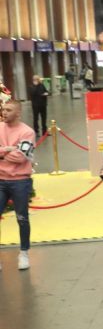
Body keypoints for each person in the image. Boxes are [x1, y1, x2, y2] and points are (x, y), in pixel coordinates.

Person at [0, 100, 36, 270]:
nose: (4, 112)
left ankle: (24, 253)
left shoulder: (27, 132)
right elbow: (14, 154)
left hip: (20, 181)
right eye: (3, 109)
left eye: (8, 110)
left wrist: (3, 151)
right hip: (0, 180)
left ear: (18, 113)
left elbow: (21, 157)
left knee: (22, 218)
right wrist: (9, 149)